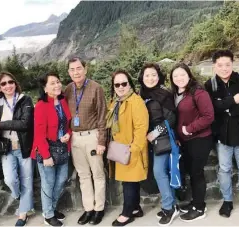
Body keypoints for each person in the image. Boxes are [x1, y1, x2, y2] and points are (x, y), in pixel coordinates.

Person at [204, 50, 239, 217]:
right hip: (222, 135)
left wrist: (227, 109)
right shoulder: (210, 85)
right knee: (224, 169)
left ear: (232, 64)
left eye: (227, 64)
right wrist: (233, 101)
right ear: (214, 67)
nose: (224, 68)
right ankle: (227, 201)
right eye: (220, 65)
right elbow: (212, 108)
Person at [64, 57, 108, 225]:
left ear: (85, 69)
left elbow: (102, 117)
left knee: (97, 174)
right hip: (75, 138)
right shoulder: (68, 90)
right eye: (72, 69)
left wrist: (101, 141)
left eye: (78, 68)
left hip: (92, 136)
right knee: (83, 176)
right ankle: (88, 208)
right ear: (69, 72)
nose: (76, 72)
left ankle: (99, 209)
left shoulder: (96, 88)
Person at [170, 63, 214, 222]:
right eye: (175, 76)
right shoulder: (176, 93)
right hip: (185, 141)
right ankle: (195, 202)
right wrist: (178, 135)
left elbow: (209, 116)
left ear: (189, 75)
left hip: (200, 139)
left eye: (182, 74)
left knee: (196, 173)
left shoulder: (198, 92)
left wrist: (189, 129)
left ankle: (200, 208)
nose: (179, 78)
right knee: (192, 173)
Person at [0, 72, 35, 226]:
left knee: (27, 181)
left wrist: (1, 124)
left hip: (24, 146)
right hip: (6, 148)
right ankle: (22, 199)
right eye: (3, 84)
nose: (8, 85)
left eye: (10, 82)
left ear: (15, 83)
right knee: (10, 179)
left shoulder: (25, 99)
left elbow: (25, 124)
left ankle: (22, 215)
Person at [138, 63, 180, 226]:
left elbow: (171, 118)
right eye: (147, 75)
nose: (150, 78)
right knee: (162, 172)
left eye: (153, 75)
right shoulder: (141, 94)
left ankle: (169, 208)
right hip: (148, 139)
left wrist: (156, 132)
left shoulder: (165, 94)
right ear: (142, 77)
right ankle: (171, 204)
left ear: (159, 76)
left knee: (159, 171)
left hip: (162, 137)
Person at [106, 70, 150, 226]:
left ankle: (126, 213)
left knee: (129, 182)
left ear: (130, 84)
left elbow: (141, 127)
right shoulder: (116, 102)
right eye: (117, 84)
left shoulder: (135, 102)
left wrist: (134, 148)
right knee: (129, 181)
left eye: (124, 83)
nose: (120, 87)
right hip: (120, 149)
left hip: (130, 149)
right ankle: (136, 208)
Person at [32, 73, 72, 227]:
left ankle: (51, 208)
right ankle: (48, 215)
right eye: (52, 83)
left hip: (62, 147)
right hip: (47, 149)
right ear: (45, 87)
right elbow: (39, 134)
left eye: (58, 82)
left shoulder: (62, 101)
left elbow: (67, 125)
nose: (57, 85)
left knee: (61, 181)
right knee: (48, 183)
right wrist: (46, 155)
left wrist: (68, 134)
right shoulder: (41, 106)